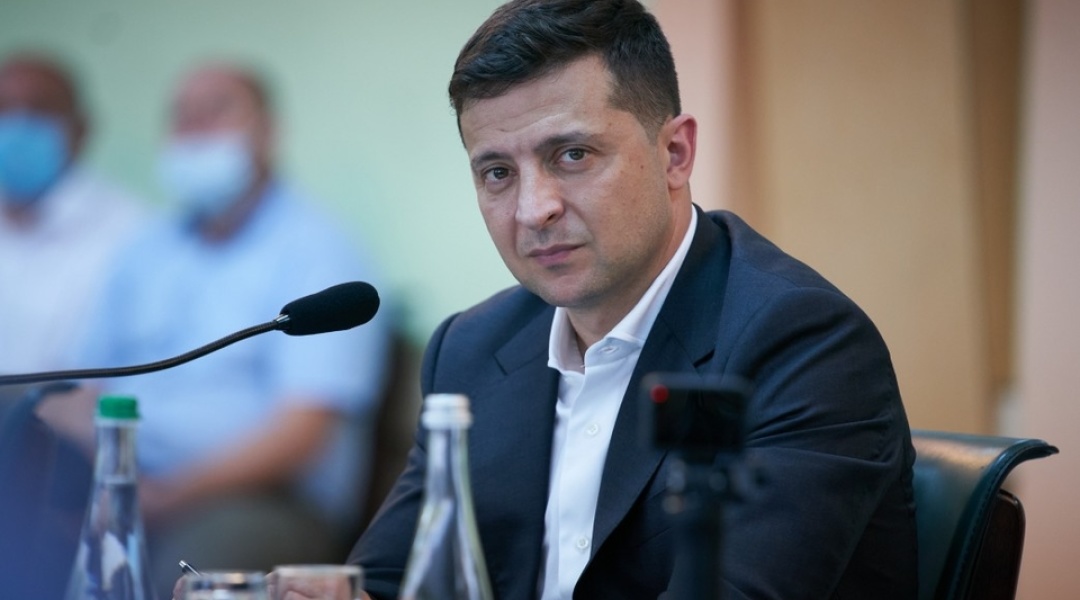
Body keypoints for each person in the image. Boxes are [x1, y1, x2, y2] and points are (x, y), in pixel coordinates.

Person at [348, 1, 917, 599]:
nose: (533, 209)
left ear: (674, 154)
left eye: (572, 155)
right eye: (497, 172)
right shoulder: (471, 350)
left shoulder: (802, 344)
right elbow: (382, 582)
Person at [37, 62, 393, 600]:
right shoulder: (143, 247)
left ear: (267, 131)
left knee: (193, 577)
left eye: (217, 111)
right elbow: (77, 389)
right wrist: (110, 478)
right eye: (183, 116)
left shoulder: (320, 250)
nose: (196, 128)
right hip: (124, 477)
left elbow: (303, 432)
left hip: (262, 499)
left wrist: (165, 496)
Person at [0, 53, 146, 385]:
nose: (18, 124)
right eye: (4, 109)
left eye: (39, 110)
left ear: (81, 129)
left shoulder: (134, 231)